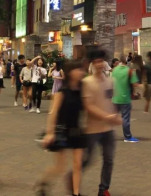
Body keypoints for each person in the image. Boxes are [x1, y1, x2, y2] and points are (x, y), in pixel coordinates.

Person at [67, 48, 121, 196]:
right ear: (92, 63)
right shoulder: (87, 82)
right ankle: (73, 178)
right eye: (96, 62)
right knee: (87, 159)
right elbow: (88, 106)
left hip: (108, 129)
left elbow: (110, 101)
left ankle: (103, 189)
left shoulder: (110, 81)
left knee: (109, 159)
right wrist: (107, 116)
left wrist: (115, 115)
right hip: (92, 129)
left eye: (101, 61)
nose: (99, 64)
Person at [35, 59, 88, 196]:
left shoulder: (82, 90)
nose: (81, 72)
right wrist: (50, 132)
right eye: (78, 70)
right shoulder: (62, 91)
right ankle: (43, 182)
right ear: (71, 72)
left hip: (77, 131)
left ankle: (76, 192)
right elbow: (53, 112)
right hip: (63, 131)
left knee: (77, 164)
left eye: (81, 70)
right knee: (60, 167)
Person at [111, 55, 139, 142]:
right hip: (125, 98)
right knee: (125, 118)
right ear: (126, 61)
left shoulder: (114, 70)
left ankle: (106, 135)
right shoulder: (129, 71)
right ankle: (127, 137)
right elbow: (135, 84)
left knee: (112, 117)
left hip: (114, 98)